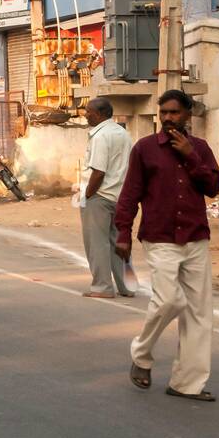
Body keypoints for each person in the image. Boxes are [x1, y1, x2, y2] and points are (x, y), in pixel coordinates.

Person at [118, 89, 219, 401]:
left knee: (199, 313)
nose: (167, 119)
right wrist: (123, 232)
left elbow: (214, 187)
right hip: (159, 236)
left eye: (174, 113)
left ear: (188, 115)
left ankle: (186, 383)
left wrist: (190, 155)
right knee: (169, 301)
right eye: (163, 113)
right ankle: (141, 353)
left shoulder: (201, 149)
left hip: (195, 238)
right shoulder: (145, 149)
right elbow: (130, 192)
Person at [79, 98, 135, 299]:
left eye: (88, 111)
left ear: (99, 114)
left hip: (99, 196)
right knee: (118, 242)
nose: (85, 114)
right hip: (120, 196)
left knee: (97, 243)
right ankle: (127, 286)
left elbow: (98, 172)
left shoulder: (100, 136)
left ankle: (102, 287)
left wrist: (86, 195)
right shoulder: (123, 133)